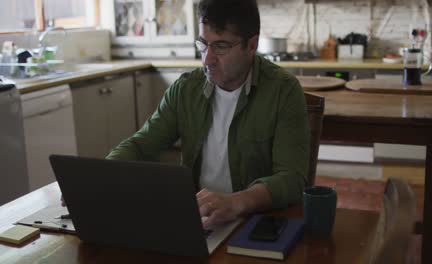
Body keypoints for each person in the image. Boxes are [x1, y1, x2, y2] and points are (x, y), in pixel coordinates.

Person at [106, 0, 310, 228]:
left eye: (221, 47)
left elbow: (292, 180)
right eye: (203, 44)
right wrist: (102, 175)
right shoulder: (185, 89)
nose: (207, 59)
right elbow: (142, 145)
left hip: (256, 222)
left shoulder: (283, 91)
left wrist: (237, 202)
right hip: (198, 220)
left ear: (252, 45)